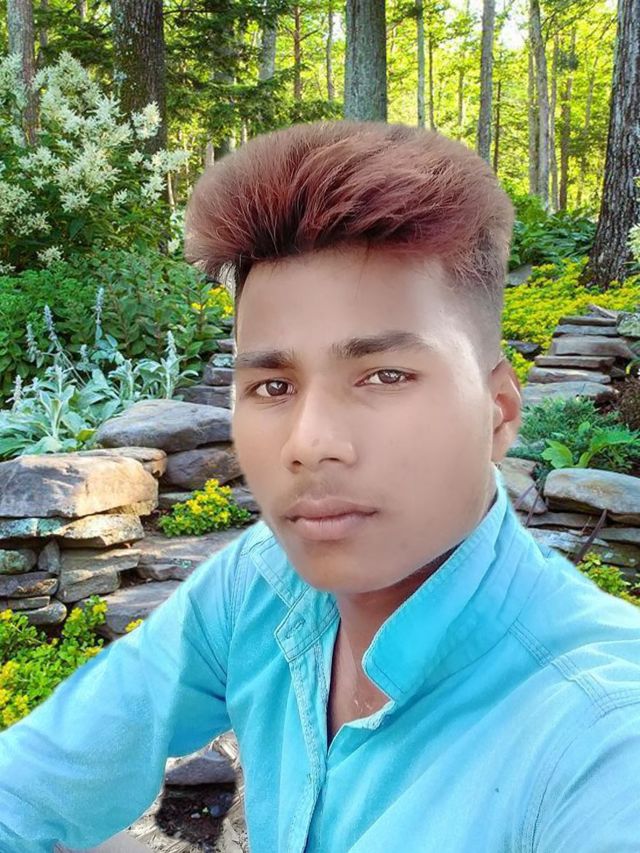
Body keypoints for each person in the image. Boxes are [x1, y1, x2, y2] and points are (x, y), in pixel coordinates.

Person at [1, 120, 640, 853]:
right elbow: (31, 785)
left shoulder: (602, 741)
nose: (308, 443)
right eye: (273, 385)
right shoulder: (260, 586)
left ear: (497, 410)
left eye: (384, 375)